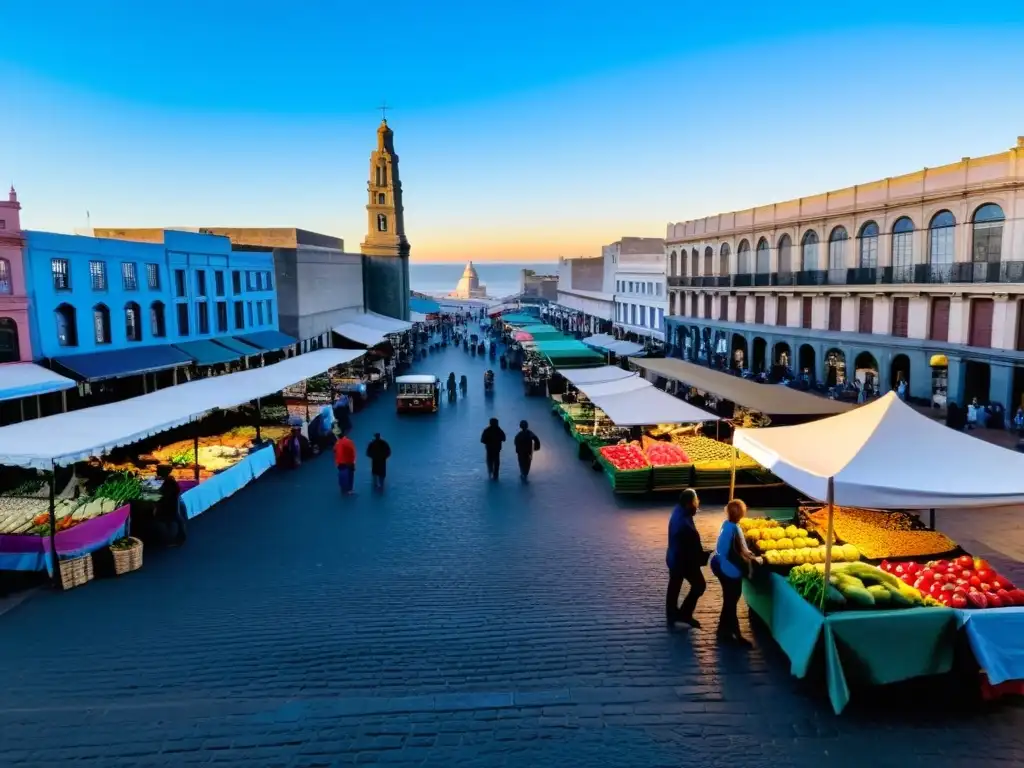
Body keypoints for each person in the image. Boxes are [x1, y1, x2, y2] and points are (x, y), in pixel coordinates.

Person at [710, 499, 762, 646]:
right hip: (730, 569)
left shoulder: (726, 525)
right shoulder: (735, 529)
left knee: (728, 599)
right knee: (731, 601)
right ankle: (736, 635)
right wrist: (757, 558)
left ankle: (723, 630)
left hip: (718, 565)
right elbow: (745, 551)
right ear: (741, 513)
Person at [665, 488, 707, 628]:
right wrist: (703, 557)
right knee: (699, 585)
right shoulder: (685, 525)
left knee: (674, 584)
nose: (698, 503)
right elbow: (692, 551)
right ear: (689, 503)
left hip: (674, 556)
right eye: (696, 501)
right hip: (683, 561)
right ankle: (685, 614)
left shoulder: (678, 511)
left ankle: (672, 613)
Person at [154, 464, 187, 546]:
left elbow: (167, 494)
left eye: (158, 471)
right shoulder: (167, 480)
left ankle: (179, 539)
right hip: (170, 503)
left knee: (176, 518)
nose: (156, 472)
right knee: (174, 519)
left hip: (171, 504)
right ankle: (173, 537)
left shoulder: (169, 482)